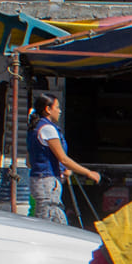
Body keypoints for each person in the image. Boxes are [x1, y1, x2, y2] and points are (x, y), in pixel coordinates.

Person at [27, 94, 100, 224]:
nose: (60, 111)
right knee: (48, 222)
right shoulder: (48, 129)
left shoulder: (34, 128)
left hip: (38, 180)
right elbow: (63, 159)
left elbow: (29, 161)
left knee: (56, 220)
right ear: (48, 109)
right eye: (57, 107)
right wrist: (88, 172)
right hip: (47, 182)